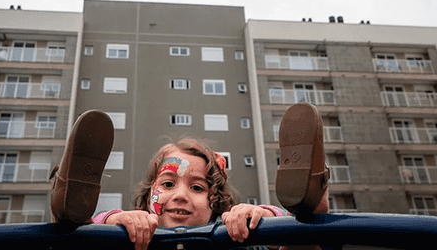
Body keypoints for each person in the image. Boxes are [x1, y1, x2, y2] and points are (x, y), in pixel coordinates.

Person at [49, 104, 329, 250]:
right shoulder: (130, 238)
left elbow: (268, 223)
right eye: (168, 184)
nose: (180, 194)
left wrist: (261, 216)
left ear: (215, 202)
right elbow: (108, 227)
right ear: (148, 198)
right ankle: (69, 206)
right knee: (80, 237)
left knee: (297, 233)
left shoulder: (231, 236)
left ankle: (308, 202)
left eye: (197, 187)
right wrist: (111, 219)